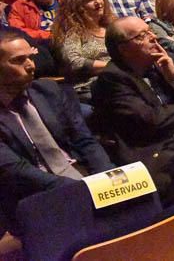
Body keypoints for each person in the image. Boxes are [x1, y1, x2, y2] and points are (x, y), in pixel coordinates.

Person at [0, 31, 113, 224]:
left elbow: (84, 139)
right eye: (18, 60)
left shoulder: (48, 90)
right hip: (36, 193)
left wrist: (106, 176)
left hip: (80, 173)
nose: (31, 65)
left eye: (30, 57)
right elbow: (17, 170)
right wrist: (81, 189)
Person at [92, 17, 174, 189]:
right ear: (124, 49)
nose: (153, 37)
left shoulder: (163, 61)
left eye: (150, 31)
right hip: (160, 150)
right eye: (142, 35)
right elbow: (152, 120)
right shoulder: (113, 78)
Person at [52, 0, 114, 101]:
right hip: (90, 86)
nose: (98, 2)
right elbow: (74, 61)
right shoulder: (72, 32)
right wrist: (112, 67)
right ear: (77, 6)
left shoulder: (111, 26)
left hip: (119, 79)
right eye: (90, 0)